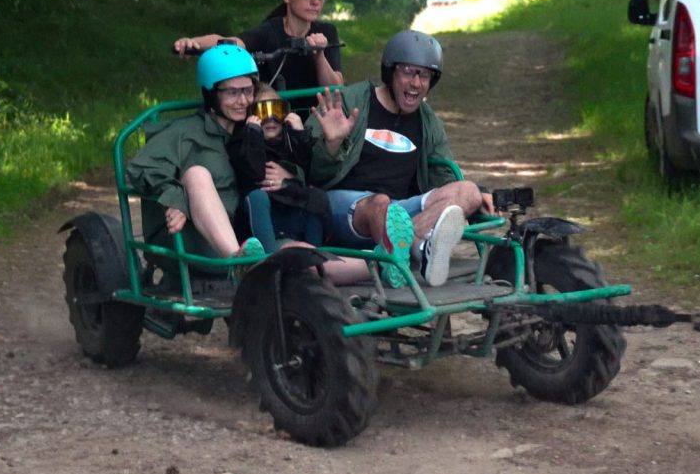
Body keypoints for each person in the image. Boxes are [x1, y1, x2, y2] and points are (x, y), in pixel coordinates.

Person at [307, 30, 495, 287]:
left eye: (425, 75)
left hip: (399, 212)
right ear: (390, 72)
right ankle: (417, 248)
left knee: (468, 191)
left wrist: (476, 199)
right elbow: (310, 171)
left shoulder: (427, 121)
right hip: (345, 208)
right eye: (408, 71)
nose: (416, 83)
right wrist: (332, 144)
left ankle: (406, 249)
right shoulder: (353, 101)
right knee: (380, 203)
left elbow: (444, 180)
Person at [126, 44, 264, 260]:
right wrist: (177, 198)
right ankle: (237, 262)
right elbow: (140, 169)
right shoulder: (184, 132)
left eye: (248, 91)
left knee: (306, 258)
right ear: (210, 94)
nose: (243, 101)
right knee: (197, 174)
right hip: (196, 240)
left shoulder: (256, 129)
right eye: (232, 92)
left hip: (253, 235)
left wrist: (288, 173)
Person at [172, 0, 343, 103]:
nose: (315, 1)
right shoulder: (269, 30)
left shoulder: (327, 32)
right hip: (275, 121)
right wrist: (194, 43)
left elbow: (337, 90)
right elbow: (230, 42)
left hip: (318, 119)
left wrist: (319, 55)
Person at [227, 84, 328, 253]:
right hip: (260, 218)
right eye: (263, 112)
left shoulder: (288, 140)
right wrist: (253, 134)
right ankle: (266, 260)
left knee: (317, 197)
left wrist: (299, 135)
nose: (271, 118)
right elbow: (255, 172)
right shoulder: (243, 142)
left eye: (277, 110)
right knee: (258, 197)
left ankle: (316, 256)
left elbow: (309, 170)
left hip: (289, 210)